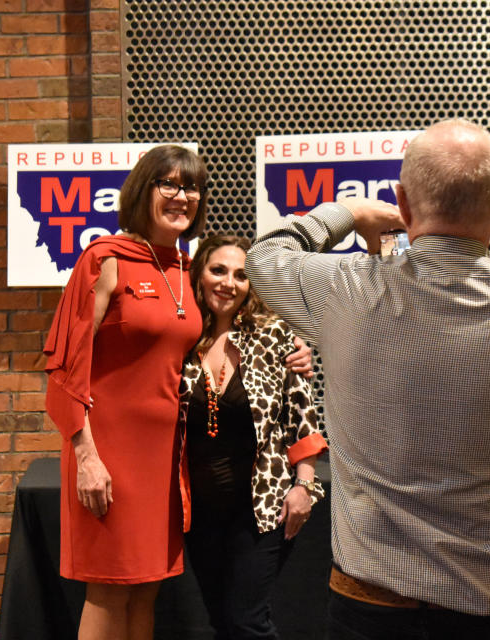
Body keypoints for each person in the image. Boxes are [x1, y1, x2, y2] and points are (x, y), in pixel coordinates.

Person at [246, 119, 490, 638]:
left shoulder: (345, 292)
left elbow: (264, 258)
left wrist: (351, 211)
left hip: (372, 604)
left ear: (402, 204)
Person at [43, 146, 312, 640]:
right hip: (108, 452)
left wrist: (294, 345)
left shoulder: (183, 270)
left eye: (190, 187)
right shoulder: (104, 260)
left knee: (146, 588)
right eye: (167, 184)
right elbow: (65, 367)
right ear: (141, 190)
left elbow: (228, 326)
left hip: (168, 463)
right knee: (108, 588)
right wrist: (85, 455)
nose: (180, 196)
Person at [180, 234, 328, 639]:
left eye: (241, 275)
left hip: (261, 508)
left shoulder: (274, 335)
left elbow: (302, 417)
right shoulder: (179, 339)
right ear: (199, 275)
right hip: (200, 513)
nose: (228, 282)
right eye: (218, 270)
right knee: (221, 621)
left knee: (248, 621)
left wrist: (304, 485)